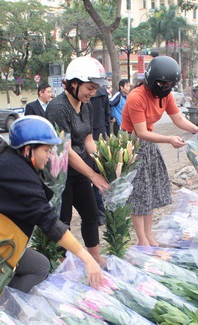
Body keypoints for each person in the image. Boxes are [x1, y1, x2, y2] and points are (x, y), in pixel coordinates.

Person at [0, 116, 104, 295]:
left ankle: (5, 306)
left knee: (39, 266)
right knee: (36, 269)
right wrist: (87, 258)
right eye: (46, 150)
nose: (50, 155)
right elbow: (49, 222)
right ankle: (6, 314)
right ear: (28, 149)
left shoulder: (7, 158)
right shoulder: (15, 173)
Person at [121, 56, 198, 247]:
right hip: (131, 144)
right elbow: (140, 132)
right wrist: (169, 139)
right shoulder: (136, 97)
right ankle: (142, 240)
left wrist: (196, 129)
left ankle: (149, 235)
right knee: (139, 194)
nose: (166, 87)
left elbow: (178, 119)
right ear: (152, 79)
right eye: (162, 83)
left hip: (149, 142)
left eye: (170, 84)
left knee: (150, 190)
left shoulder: (166, 96)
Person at [46, 56, 110, 265]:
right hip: (60, 175)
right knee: (62, 222)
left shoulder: (87, 106)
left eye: (95, 88)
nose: (93, 93)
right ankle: (61, 263)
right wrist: (93, 175)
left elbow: (88, 140)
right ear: (74, 83)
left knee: (91, 215)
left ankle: (95, 258)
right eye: (89, 88)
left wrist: (105, 161)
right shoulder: (57, 108)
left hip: (80, 171)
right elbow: (67, 150)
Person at [89, 84, 111, 225]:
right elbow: (107, 114)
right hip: (101, 133)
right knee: (101, 173)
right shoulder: (102, 91)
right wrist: (108, 135)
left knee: (93, 176)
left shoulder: (85, 93)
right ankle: (103, 211)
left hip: (88, 136)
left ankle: (99, 211)